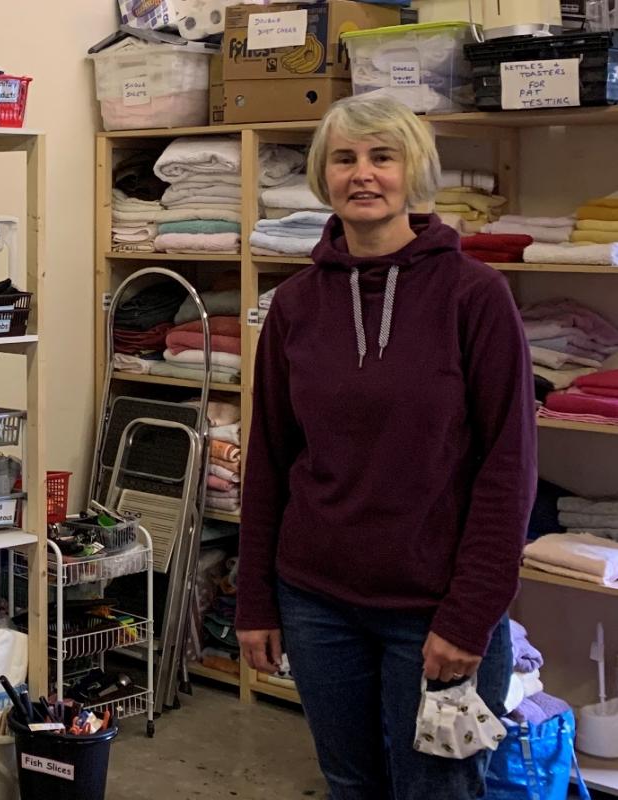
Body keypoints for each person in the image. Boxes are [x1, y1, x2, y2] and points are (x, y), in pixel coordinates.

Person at [235, 94, 536, 799]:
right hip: (316, 604)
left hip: (434, 610)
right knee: (349, 783)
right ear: (323, 175)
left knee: (438, 790)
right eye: (344, 158)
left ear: (414, 172)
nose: (362, 174)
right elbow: (271, 461)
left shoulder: (477, 296)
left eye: (382, 157)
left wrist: (470, 617)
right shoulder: (295, 306)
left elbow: (510, 468)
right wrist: (256, 600)